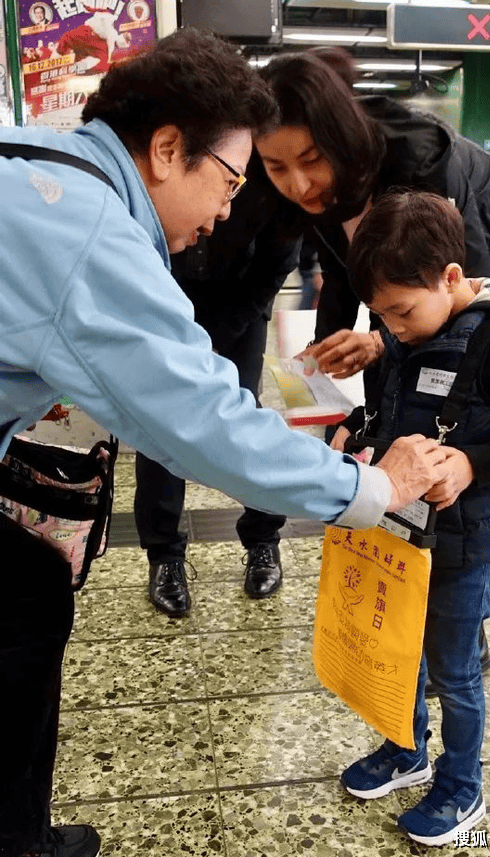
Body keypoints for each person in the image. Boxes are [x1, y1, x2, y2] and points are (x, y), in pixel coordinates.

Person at [0, 30, 449, 857]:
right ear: (168, 149)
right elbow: (204, 422)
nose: (228, 209)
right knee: (21, 612)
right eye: (234, 180)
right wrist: (371, 488)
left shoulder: (39, 158)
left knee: (26, 592)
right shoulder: (94, 230)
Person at [330, 190, 490, 846]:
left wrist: (473, 463)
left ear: (449, 278)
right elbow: (395, 403)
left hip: (464, 543)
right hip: (401, 529)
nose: (392, 326)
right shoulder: (411, 325)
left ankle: (462, 785)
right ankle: (405, 748)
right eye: (380, 314)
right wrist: (356, 430)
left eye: (400, 311)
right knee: (397, 648)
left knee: (454, 669)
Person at [256, 52, 490, 383]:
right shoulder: (316, 187)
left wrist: (380, 342)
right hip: (428, 284)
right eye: (276, 167)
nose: (298, 185)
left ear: (339, 141)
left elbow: (466, 288)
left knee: (489, 372)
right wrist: (324, 349)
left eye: (312, 159)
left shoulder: (420, 162)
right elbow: (340, 269)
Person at [137, 151, 303, 613]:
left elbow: (274, 268)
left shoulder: (267, 179)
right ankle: (164, 555)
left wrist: (218, 335)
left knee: (242, 420)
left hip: (240, 308)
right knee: (160, 423)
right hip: (168, 300)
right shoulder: (172, 160)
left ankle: (262, 539)